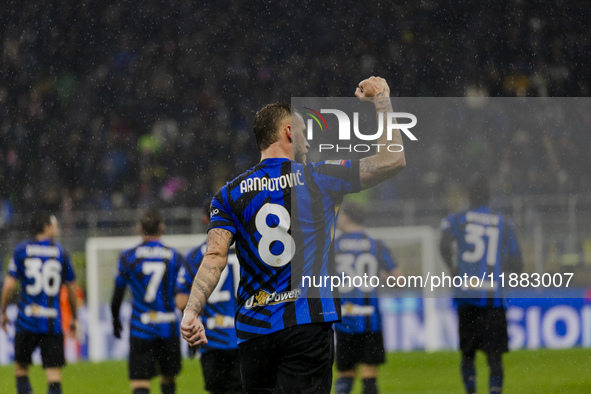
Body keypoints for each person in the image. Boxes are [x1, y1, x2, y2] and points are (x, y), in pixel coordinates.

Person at [180, 76, 406, 393]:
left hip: (254, 329)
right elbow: (393, 159)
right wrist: (382, 99)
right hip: (307, 325)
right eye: (303, 133)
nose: (308, 142)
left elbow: (215, 257)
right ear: (288, 132)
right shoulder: (320, 177)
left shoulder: (228, 195)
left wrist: (191, 312)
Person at [439, 176, 523, 394]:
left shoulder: (457, 219)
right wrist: (501, 274)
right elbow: (517, 262)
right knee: (494, 355)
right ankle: (495, 390)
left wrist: (454, 268)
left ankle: (471, 390)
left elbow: (443, 243)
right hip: (493, 297)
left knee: (468, 353)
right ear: (489, 197)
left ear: (469, 196)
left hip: (466, 295)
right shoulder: (504, 222)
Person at [0, 212, 78, 394]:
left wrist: (3, 311)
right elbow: (72, 289)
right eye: (54, 224)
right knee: (53, 375)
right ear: (45, 227)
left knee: (21, 369)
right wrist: (74, 317)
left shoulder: (21, 250)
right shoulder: (60, 252)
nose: (57, 228)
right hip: (52, 323)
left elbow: (9, 286)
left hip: (27, 321)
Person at [111, 208, 186, 394]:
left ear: (139, 228)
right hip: (168, 327)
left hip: (141, 327)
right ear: (162, 228)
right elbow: (184, 295)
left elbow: (117, 294)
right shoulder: (175, 257)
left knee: (140, 381)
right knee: (168, 379)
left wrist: (115, 320)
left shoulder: (128, 257)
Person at [333, 203, 400, 394]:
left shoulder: (334, 246)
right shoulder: (375, 245)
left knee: (345, 374)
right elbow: (399, 279)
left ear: (346, 217)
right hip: (370, 319)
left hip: (344, 318)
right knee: (369, 373)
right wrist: (380, 275)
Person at [175, 204, 242, 394]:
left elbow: (181, 301)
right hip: (244, 335)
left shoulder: (196, 256)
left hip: (211, 340)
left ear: (206, 220)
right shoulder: (247, 250)